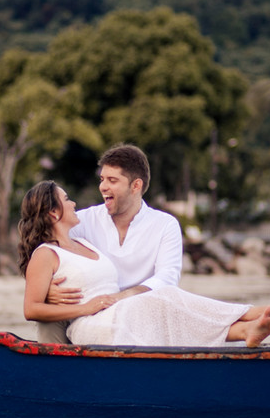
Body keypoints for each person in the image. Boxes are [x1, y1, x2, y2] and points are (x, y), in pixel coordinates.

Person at [19, 180, 270, 348]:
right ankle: (247, 315)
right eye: (66, 199)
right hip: (93, 325)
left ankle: (245, 328)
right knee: (162, 297)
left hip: (117, 314)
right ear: (54, 212)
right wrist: (83, 307)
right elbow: (31, 309)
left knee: (164, 301)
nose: (74, 202)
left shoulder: (85, 243)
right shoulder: (45, 253)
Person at [40, 144, 181, 342]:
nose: (103, 187)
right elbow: (41, 252)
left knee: (179, 304)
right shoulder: (82, 221)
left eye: (112, 180)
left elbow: (167, 278)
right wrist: (47, 289)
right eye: (102, 179)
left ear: (136, 186)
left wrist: (122, 297)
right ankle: (52, 368)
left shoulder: (165, 225)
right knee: (50, 313)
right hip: (90, 313)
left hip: (140, 311)